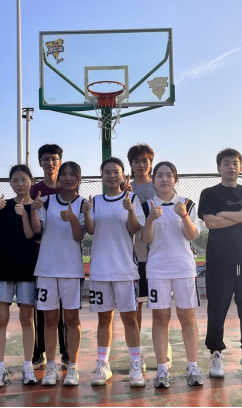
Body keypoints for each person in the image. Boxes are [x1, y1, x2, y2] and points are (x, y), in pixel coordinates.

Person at [198, 148, 242, 378]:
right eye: (226, 163)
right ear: (219, 168)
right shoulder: (209, 193)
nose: (231, 167)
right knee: (217, 310)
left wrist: (223, 214)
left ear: (240, 168)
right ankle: (215, 354)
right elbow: (210, 223)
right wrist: (238, 216)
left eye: (235, 163)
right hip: (219, 260)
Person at [139, 161, 204, 388]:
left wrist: (184, 216)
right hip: (157, 269)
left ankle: (192, 366)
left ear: (175, 179)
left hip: (183, 268)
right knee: (160, 318)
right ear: (153, 179)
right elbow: (145, 239)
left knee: (188, 318)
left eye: (169, 175)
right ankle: (162, 369)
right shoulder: (147, 206)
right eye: (159, 175)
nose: (164, 179)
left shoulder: (187, 203)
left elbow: (192, 235)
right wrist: (150, 219)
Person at [83, 157, 145, 388]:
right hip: (100, 270)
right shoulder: (95, 201)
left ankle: (135, 364)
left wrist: (130, 210)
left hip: (125, 269)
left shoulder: (132, 199)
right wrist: (86, 214)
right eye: (107, 172)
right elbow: (90, 231)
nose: (111, 175)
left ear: (122, 175)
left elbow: (134, 229)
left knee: (130, 318)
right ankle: (102, 364)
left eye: (115, 172)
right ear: (101, 175)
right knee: (104, 318)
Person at [0, 165, 41, 388]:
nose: (20, 184)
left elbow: (33, 234)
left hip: (28, 268)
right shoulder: (3, 206)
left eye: (23, 179)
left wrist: (26, 213)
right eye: (15, 180)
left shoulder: (36, 206)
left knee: (27, 319)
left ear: (31, 181)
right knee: (0, 319)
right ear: (10, 183)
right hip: (3, 268)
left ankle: (28, 367)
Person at [30, 161, 86, 387]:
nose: (68, 178)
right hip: (46, 269)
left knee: (71, 319)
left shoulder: (83, 203)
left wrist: (73, 219)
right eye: (64, 174)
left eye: (73, 174)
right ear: (59, 178)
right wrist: (33, 210)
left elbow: (79, 236)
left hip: (71, 270)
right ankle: (51, 366)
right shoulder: (46, 201)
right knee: (50, 319)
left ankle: (73, 366)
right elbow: (37, 229)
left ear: (79, 178)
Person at [125, 144, 175, 371]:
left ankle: (164, 351)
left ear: (151, 163)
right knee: (134, 310)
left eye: (145, 161)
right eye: (136, 161)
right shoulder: (125, 189)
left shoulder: (161, 186)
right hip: (134, 256)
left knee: (160, 310)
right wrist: (126, 194)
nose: (141, 165)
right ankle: (137, 355)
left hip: (159, 256)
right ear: (131, 164)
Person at [29, 144, 69, 369]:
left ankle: (66, 352)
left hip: (65, 255)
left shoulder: (67, 187)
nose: (50, 163)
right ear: (40, 163)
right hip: (41, 255)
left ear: (59, 162)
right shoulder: (35, 190)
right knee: (43, 307)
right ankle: (39, 351)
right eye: (46, 159)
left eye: (54, 159)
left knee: (66, 308)